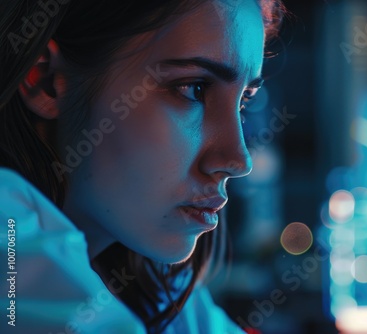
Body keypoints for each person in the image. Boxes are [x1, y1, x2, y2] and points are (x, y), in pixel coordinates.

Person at [0, 0, 285, 333]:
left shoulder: (153, 289)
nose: (239, 161)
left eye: (243, 101)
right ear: (46, 80)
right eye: (194, 88)